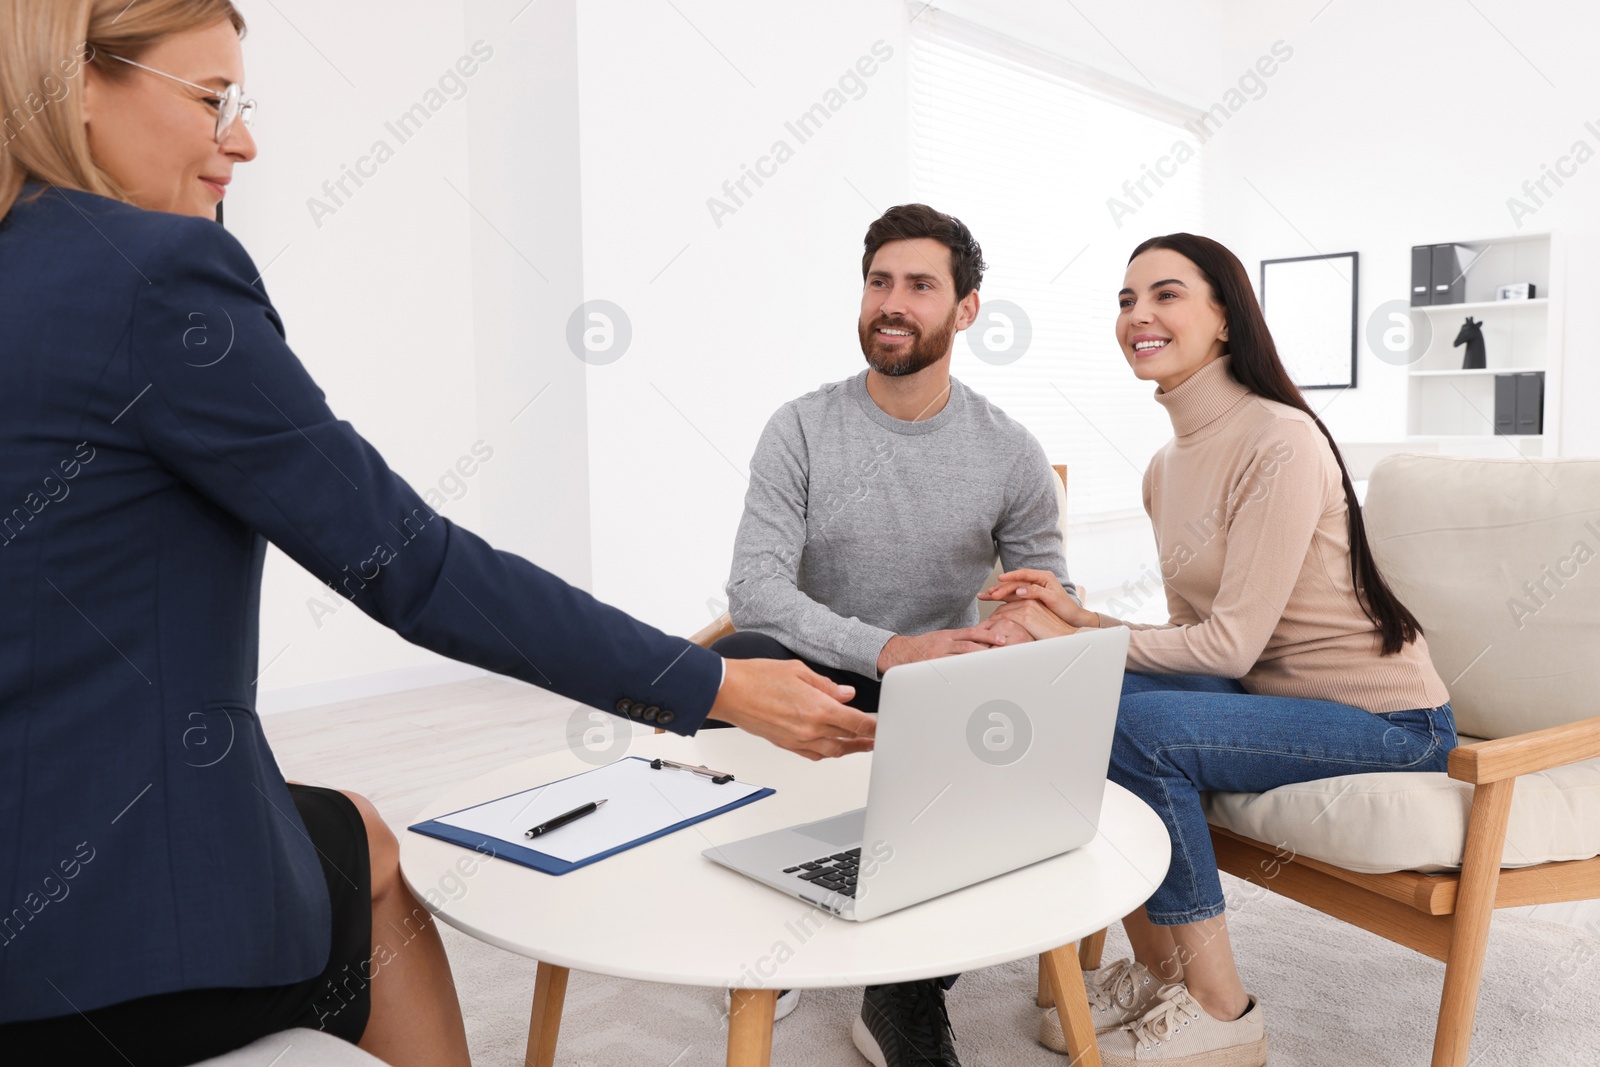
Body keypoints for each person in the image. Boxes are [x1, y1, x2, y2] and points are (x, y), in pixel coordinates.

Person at [0, 4, 874, 1065]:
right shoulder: (155, 277)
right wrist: (718, 687)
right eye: (212, 99)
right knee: (366, 846)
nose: (244, 139)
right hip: (86, 952)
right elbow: (414, 566)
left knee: (349, 821)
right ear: (75, 84)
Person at [981, 233, 1456, 1067]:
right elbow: (1190, 632)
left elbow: (1229, 646)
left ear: (1225, 319)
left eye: (1165, 294)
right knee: (1093, 704)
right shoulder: (1165, 466)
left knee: (1137, 729)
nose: (1139, 315)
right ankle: (1164, 977)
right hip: (1277, 701)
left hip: (1385, 718)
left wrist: (1084, 632)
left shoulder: (1281, 439)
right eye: (1126, 301)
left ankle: (1222, 1009)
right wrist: (1073, 624)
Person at [717, 203, 1077, 1067]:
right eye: (881, 281)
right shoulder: (800, 426)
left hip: (943, 693)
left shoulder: (1009, 450)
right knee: (732, 662)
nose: (894, 302)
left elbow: (1045, 597)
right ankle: (771, 924)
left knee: (1040, 729)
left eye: (921, 285)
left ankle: (898, 999)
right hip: (826, 672)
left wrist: (1013, 632)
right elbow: (754, 588)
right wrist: (886, 647)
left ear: (965, 309)